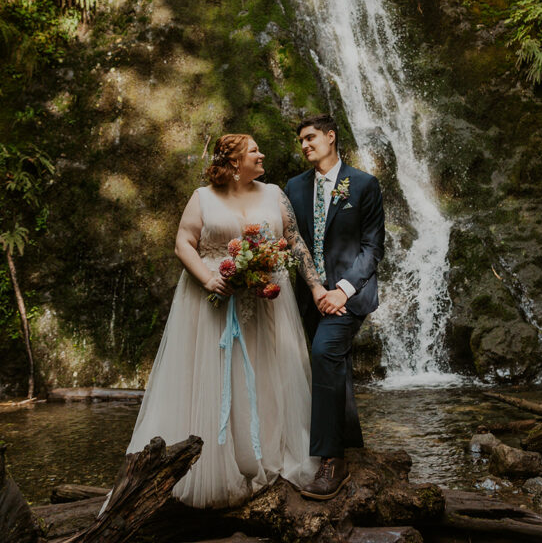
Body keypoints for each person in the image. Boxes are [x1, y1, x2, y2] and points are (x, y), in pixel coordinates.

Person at [122, 133, 324, 508]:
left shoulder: (275, 193)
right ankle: (212, 465)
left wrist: (315, 288)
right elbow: (183, 241)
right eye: (253, 151)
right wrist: (209, 277)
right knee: (216, 376)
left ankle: (266, 457)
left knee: (268, 375)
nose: (262, 154)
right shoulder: (202, 198)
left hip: (267, 305)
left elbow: (294, 242)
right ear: (234, 163)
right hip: (213, 302)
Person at [284, 114, 385, 500]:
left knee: (325, 352)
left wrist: (341, 290)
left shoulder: (363, 185)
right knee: (331, 365)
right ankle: (350, 443)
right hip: (308, 296)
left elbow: (373, 248)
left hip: (348, 296)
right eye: (301, 141)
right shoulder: (294, 188)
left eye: (311, 137)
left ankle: (331, 461)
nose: (305, 145)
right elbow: (292, 241)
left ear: (331, 137)